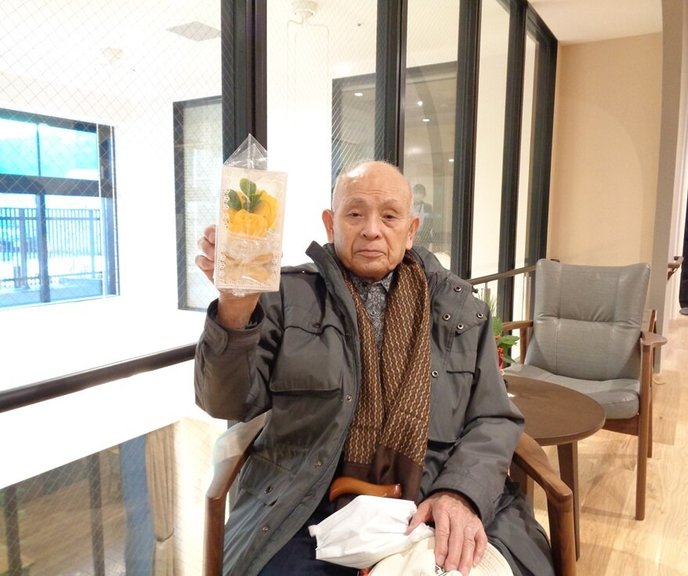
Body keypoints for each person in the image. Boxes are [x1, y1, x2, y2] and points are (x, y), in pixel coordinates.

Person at [194, 160, 554, 576]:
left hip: (431, 499)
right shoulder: (286, 298)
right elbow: (225, 402)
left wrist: (460, 493)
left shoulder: (458, 310)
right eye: (354, 214)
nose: (371, 230)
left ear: (411, 229)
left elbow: (493, 417)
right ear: (330, 224)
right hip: (307, 508)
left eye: (389, 216)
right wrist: (235, 309)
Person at [412, 183, 434, 249]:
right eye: (416, 192)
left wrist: (420, 237)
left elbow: (429, 223)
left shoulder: (428, 207)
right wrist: (413, 236)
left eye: (420, 193)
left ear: (424, 195)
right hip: (411, 237)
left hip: (424, 238)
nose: (418, 195)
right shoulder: (408, 206)